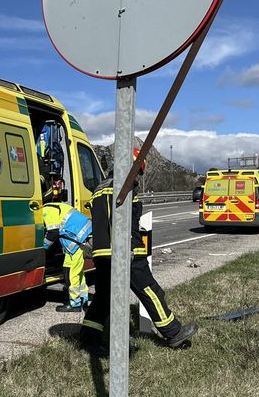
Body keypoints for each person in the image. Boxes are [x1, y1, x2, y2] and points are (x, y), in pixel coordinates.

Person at [80, 149, 197, 355]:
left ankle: (89, 338)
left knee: (104, 297)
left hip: (102, 253)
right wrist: (134, 249)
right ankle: (173, 332)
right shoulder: (124, 188)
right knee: (150, 290)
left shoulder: (99, 188)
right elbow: (127, 223)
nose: (138, 178)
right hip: (125, 251)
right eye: (138, 172)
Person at [42, 201, 92, 312]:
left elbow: (53, 232)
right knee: (73, 271)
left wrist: (43, 248)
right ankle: (83, 299)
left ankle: (75, 303)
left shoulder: (46, 211)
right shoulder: (55, 206)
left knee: (73, 274)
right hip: (76, 243)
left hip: (78, 242)